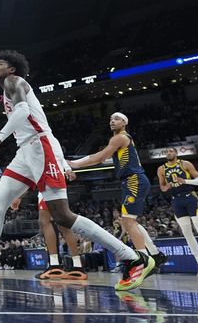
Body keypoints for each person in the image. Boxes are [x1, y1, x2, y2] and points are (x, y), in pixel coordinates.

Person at [0, 51, 153, 291]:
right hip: (25, 151)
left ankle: (133, 258)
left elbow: (22, 112)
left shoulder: (13, 81)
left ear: (12, 69)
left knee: (62, 216)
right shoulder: (7, 87)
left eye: (0, 64)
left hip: (41, 146)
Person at [69, 113, 166, 271]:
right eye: (110, 119)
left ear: (124, 123)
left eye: (116, 119)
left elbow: (100, 157)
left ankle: (143, 260)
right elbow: (101, 157)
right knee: (129, 221)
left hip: (134, 180)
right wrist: (76, 163)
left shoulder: (120, 137)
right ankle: (155, 254)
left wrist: (74, 164)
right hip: (132, 180)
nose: (112, 121)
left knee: (128, 222)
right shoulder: (119, 140)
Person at [10, 191, 87, 280]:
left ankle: (55, 265)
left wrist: (19, 197)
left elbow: (32, 183)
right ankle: (77, 265)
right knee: (63, 224)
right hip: (58, 188)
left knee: (45, 222)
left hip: (47, 188)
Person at [157, 146, 198, 273]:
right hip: (176, 201)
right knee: (187, 233)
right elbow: (162, 187)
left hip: (190, 197)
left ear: (176, 153)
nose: (168, 153)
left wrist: (185, 181)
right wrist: (166, 187)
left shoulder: (185, 164)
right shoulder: (161, 169)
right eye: (166, 152)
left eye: (171, 151)